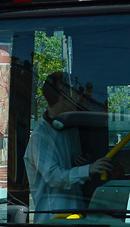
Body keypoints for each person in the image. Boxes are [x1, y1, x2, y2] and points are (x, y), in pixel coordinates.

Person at [24, 73, 112, 215]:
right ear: (64, 97)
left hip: (77, 213)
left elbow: (72, 169)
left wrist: (81, 163)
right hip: (53, 220)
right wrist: (88, 169)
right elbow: (53, 177)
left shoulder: (71, 130)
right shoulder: (40, 135)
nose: (80, 100)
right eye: (77, 95)